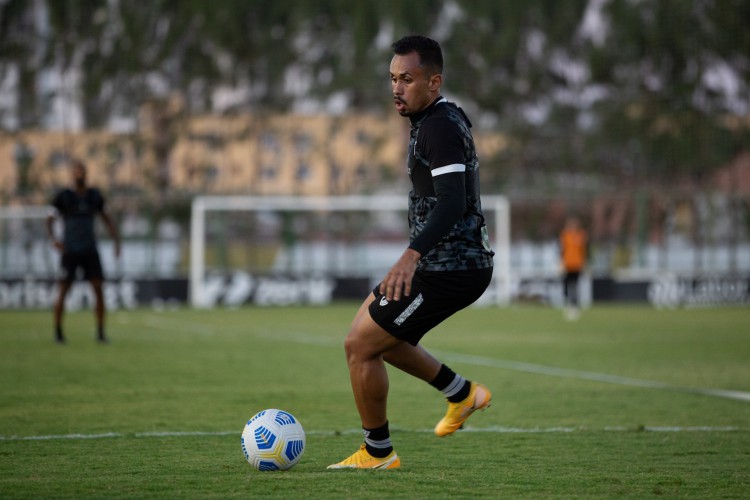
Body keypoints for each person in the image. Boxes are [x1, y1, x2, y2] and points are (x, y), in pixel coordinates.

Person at [327, 35, 495, 470]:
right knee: (372, 338)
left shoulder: (439, 126)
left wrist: (411, 254)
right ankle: (462, 394)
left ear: (434, 82)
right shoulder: (436, 118)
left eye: (407, 79)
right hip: (441, 262)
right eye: (392, 78)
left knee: (360, 346)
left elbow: (453, 201)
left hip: (450, 266)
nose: (396, 88)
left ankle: (378, 453)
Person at [46, 160, 120, 344]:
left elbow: (107, 219)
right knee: (63, 290)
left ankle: (101, 332)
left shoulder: (94, 196)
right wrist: (54, 239)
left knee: (98, 289)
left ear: (86, 174)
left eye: (81, 171)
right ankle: (58, 332)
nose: (79, 174)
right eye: (76, 171)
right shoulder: (63, 197)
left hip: (90, 250)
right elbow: (49, 219)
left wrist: (116, 241)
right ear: (72, 174)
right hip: (70, 250)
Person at [559, 216, 588, 320]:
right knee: (566, 285)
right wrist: (561, 263)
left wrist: (584, 263)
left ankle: (575, 306)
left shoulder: (581, 235)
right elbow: (562, 249)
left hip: (577, 265)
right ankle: (568, 304)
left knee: (575, 286)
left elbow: (584, 251)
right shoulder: (565, 235)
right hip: (567, 264)